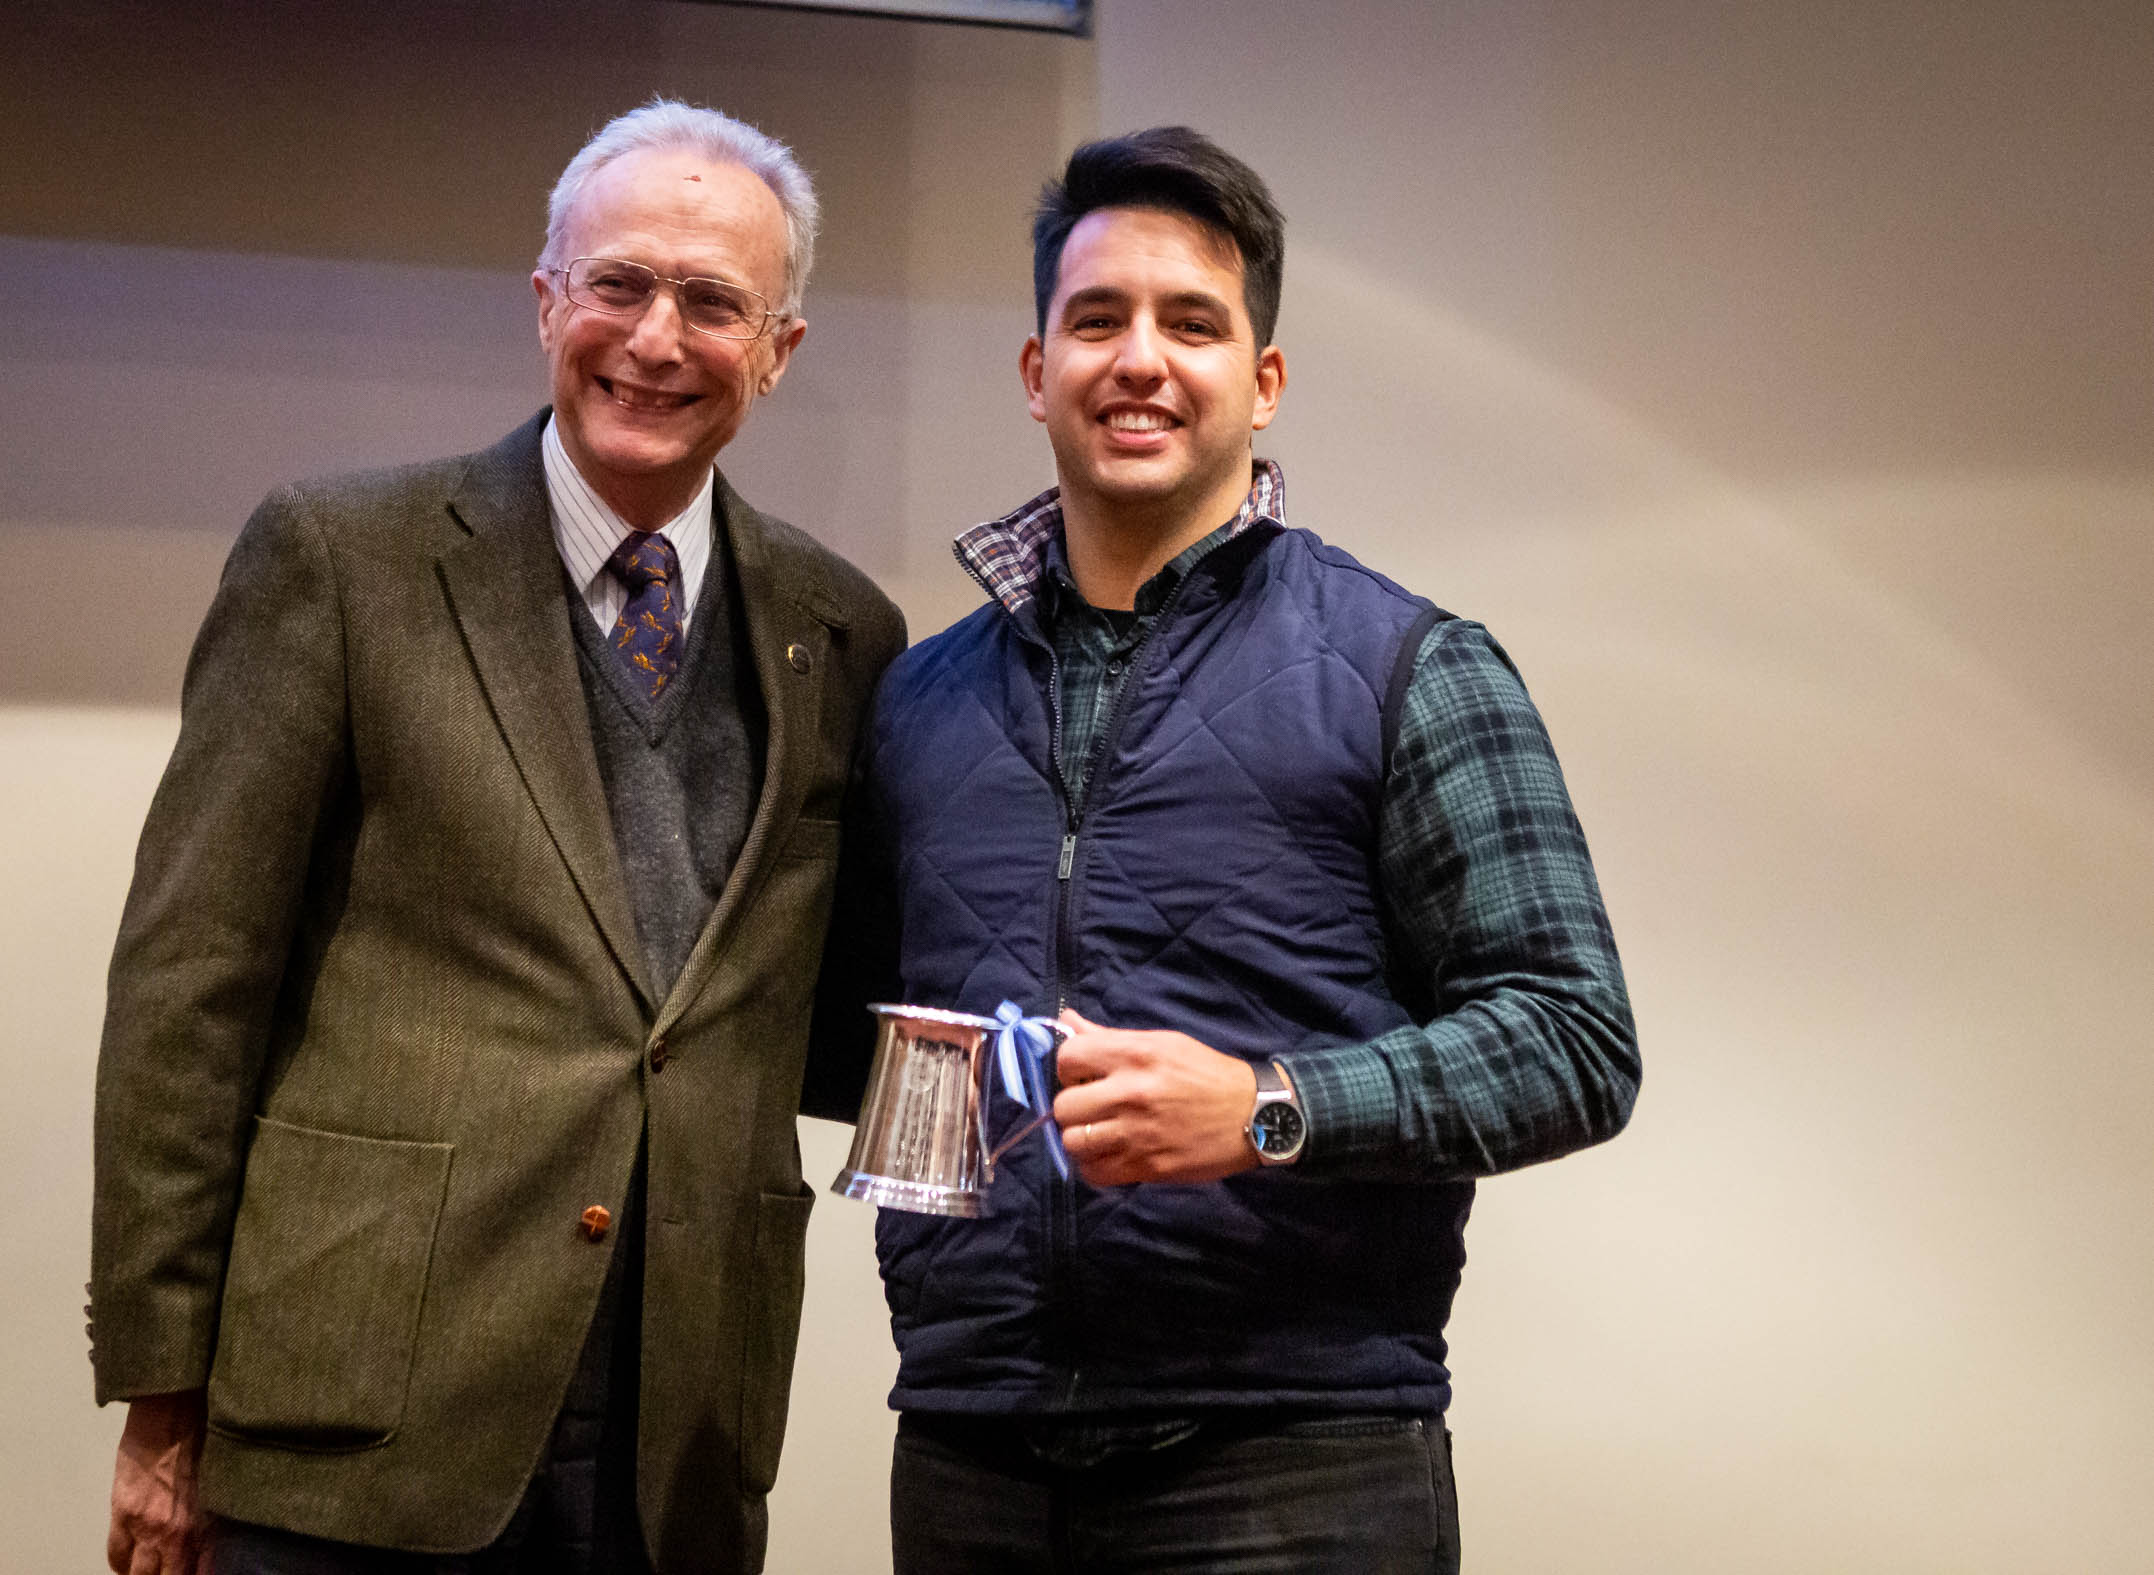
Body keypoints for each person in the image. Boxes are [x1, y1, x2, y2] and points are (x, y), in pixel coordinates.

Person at [89, 99, 905, 1575]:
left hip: (679, 1430)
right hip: (352, 1417)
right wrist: (162, 1392)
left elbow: (828, 1011)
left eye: (711, 301)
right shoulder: (343, 559)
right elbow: (190, 985)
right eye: (618, 283)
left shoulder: (841, 629)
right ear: (545, 301)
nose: (655, 338)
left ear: (778, 349)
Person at [852, 126, 1640, 1572]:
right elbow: (875, 1041)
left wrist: (1270, 1108)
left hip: (1297, 1462)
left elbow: (1572, 1043)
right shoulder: (916, 700)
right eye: (1097, 319)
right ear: (1036, 369)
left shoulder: (1410, 666)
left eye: (1191, 323)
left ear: (1262, 381)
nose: (1139, 360)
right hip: (972, 1454)